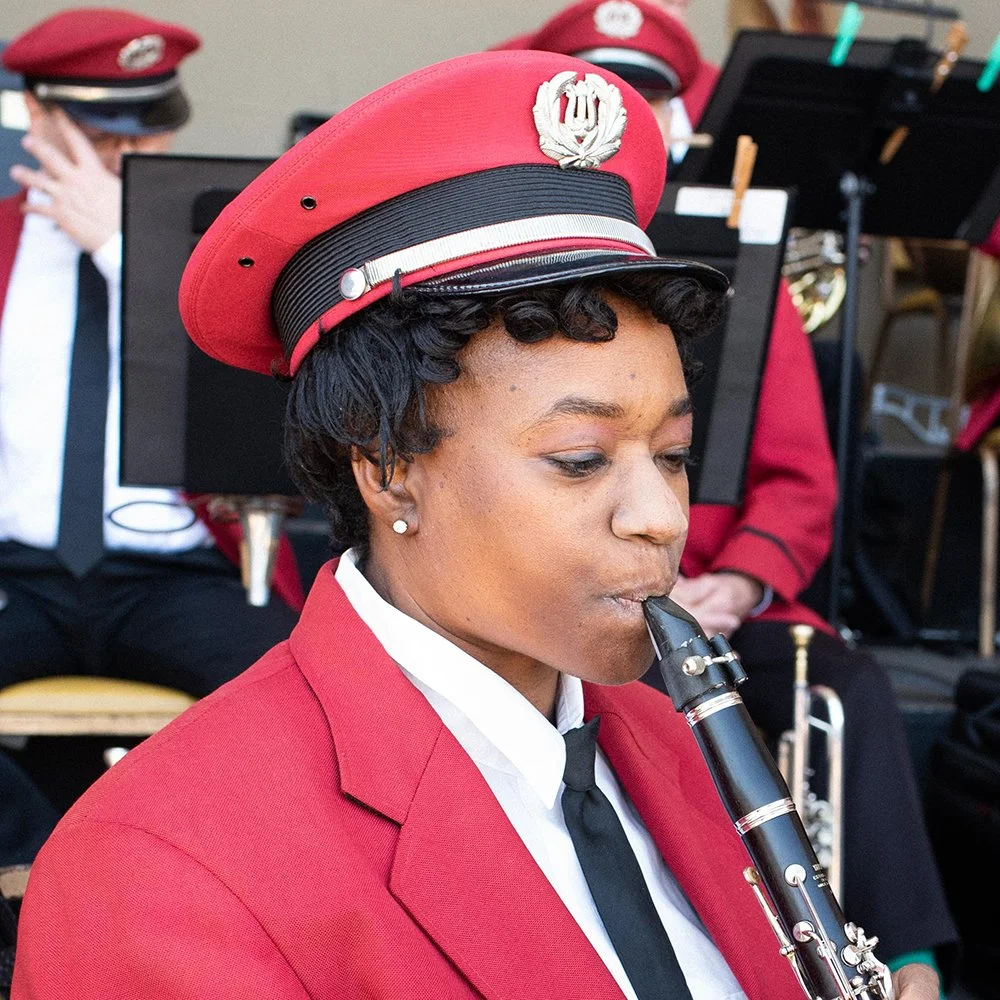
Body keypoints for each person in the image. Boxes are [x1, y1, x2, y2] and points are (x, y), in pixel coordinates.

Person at [11, 48, 939, 1000]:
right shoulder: (160, 870)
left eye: (671, 455)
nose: (662, 517)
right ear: (385, 469)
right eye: (579, 460)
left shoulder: (678, 749)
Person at [520, 0, 957, 977]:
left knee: (853, 686)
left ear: (676, 123)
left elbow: (800, 480)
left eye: (646, 101)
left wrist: (740, 586)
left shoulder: (740, 272)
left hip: (710, 601)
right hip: (565, 603)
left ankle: (914, 963)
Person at [0, 9, 301, 863]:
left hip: (174, 570)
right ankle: (43, 875)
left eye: (143, 134)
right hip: (18, 572)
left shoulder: (215, 256)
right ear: (40, 117)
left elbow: (263, 393)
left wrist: (125, 250)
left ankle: (190, 878)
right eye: (99, 134)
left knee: (307, 691)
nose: (126, 158)